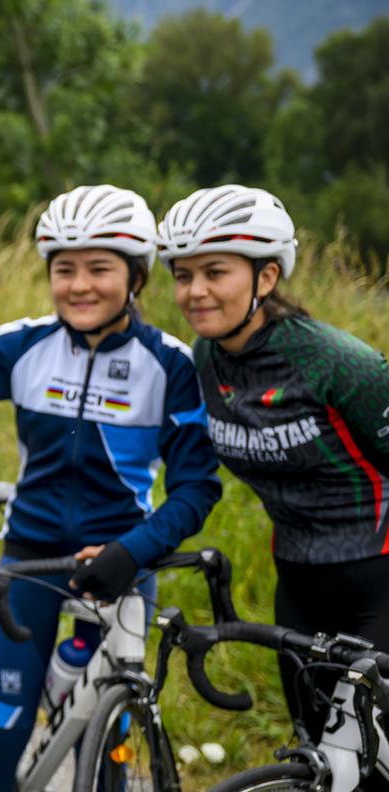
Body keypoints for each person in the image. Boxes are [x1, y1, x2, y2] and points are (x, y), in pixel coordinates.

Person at [0, 185, 222, 788]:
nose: (80, 285)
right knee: (2, 729)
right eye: (64, 269)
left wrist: (135, 550)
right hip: (30, 562)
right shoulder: (29, 343)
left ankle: (75, 686)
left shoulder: (171, 365)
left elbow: (196, 489)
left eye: (99, 269)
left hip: (122, 565)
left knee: (106, 735)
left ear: (136, 277)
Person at [160, 184, 389, 748]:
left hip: (379, 582)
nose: (195, 292)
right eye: (183, 275)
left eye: (216, 272)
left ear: (265, 278)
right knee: (317, 755)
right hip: (299, 584)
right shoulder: (205, 357)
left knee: (358, 752)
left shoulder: (339, 361)